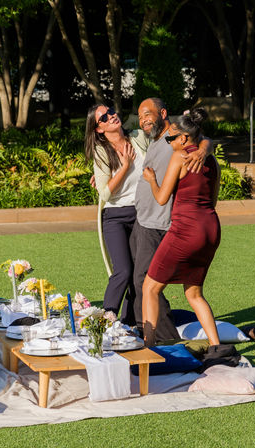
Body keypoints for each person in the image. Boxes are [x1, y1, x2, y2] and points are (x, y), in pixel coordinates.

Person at [130, 98, 212, 343]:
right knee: (141, 280)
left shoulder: (175, 137)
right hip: (143, 220)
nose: (143, 120)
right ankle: (143, 329)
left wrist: (203, 149)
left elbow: (205, 139)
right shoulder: (156, 139)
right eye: (140, 116)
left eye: (148, 114)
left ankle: (162, 339)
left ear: (163, 113)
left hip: (159, 224)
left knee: (148, 282)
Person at [85, 104, 149, 324]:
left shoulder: (138, 138)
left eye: (111, 110)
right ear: (99, 129)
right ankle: (106, 319)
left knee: (139, 273)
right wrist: (124, 166)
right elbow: (106, 193)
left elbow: (165, 147)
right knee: (122, 270)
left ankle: (132, 323)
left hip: (142, 213)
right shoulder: (102, 151)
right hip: (115, 216)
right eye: (104, 117)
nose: (111, 115)